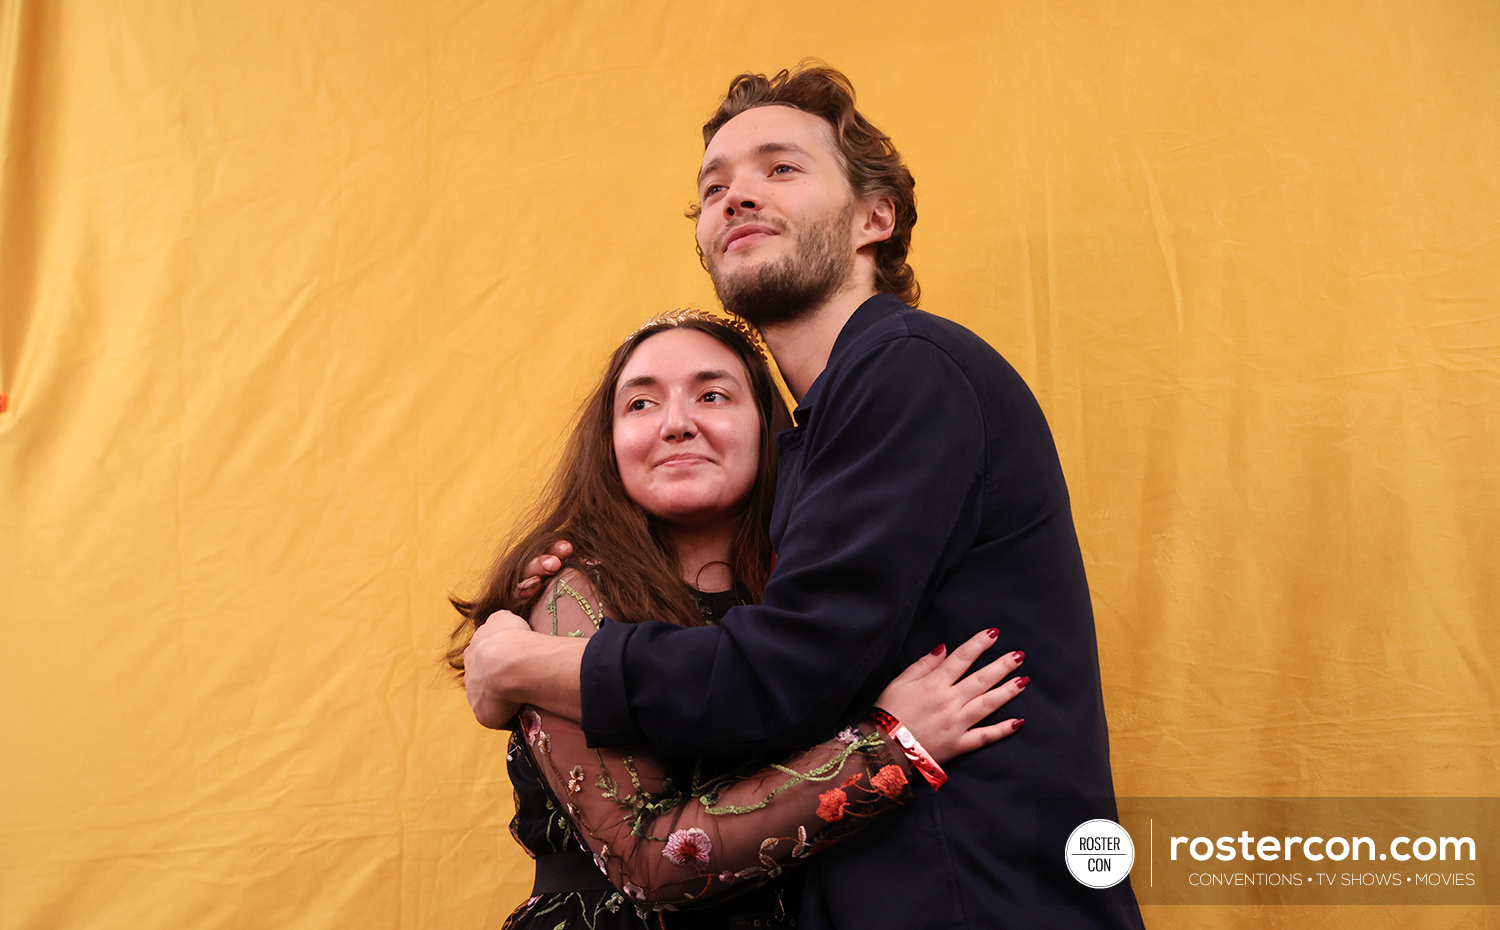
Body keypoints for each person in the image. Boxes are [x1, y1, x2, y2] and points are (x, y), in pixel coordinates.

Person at [466, 65, 1145, 929]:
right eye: (715, 188)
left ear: (875, 217)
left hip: (977, 895)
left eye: (779, 169)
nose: (737, 196)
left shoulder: (905, 370)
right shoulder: (810, 447)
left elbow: (785, 670)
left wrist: (528, 667)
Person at [452, 311, 1027, 929]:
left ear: (765, 426)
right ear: (609, 444)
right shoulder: (572, 595)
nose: (676, 424)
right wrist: (891, 746)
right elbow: (649, 862)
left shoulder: (800, 603)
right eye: (641, 403)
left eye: (712, 395)